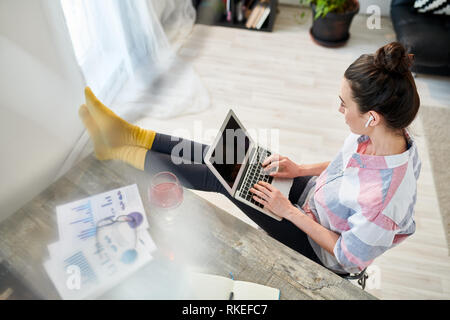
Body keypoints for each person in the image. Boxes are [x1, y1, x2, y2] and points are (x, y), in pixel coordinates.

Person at [78, 41, 421, 275]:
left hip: (316, 244)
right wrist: (300, 169)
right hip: (313, 199)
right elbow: (346, 167)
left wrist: (287, 211)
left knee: (223, 178)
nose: (340, 110)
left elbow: (347, 256)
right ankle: (129, 135)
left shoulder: (383, 203)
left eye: (345, 104)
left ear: (372, 116)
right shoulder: (387, 135)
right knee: (225, 155)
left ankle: (119, 150)